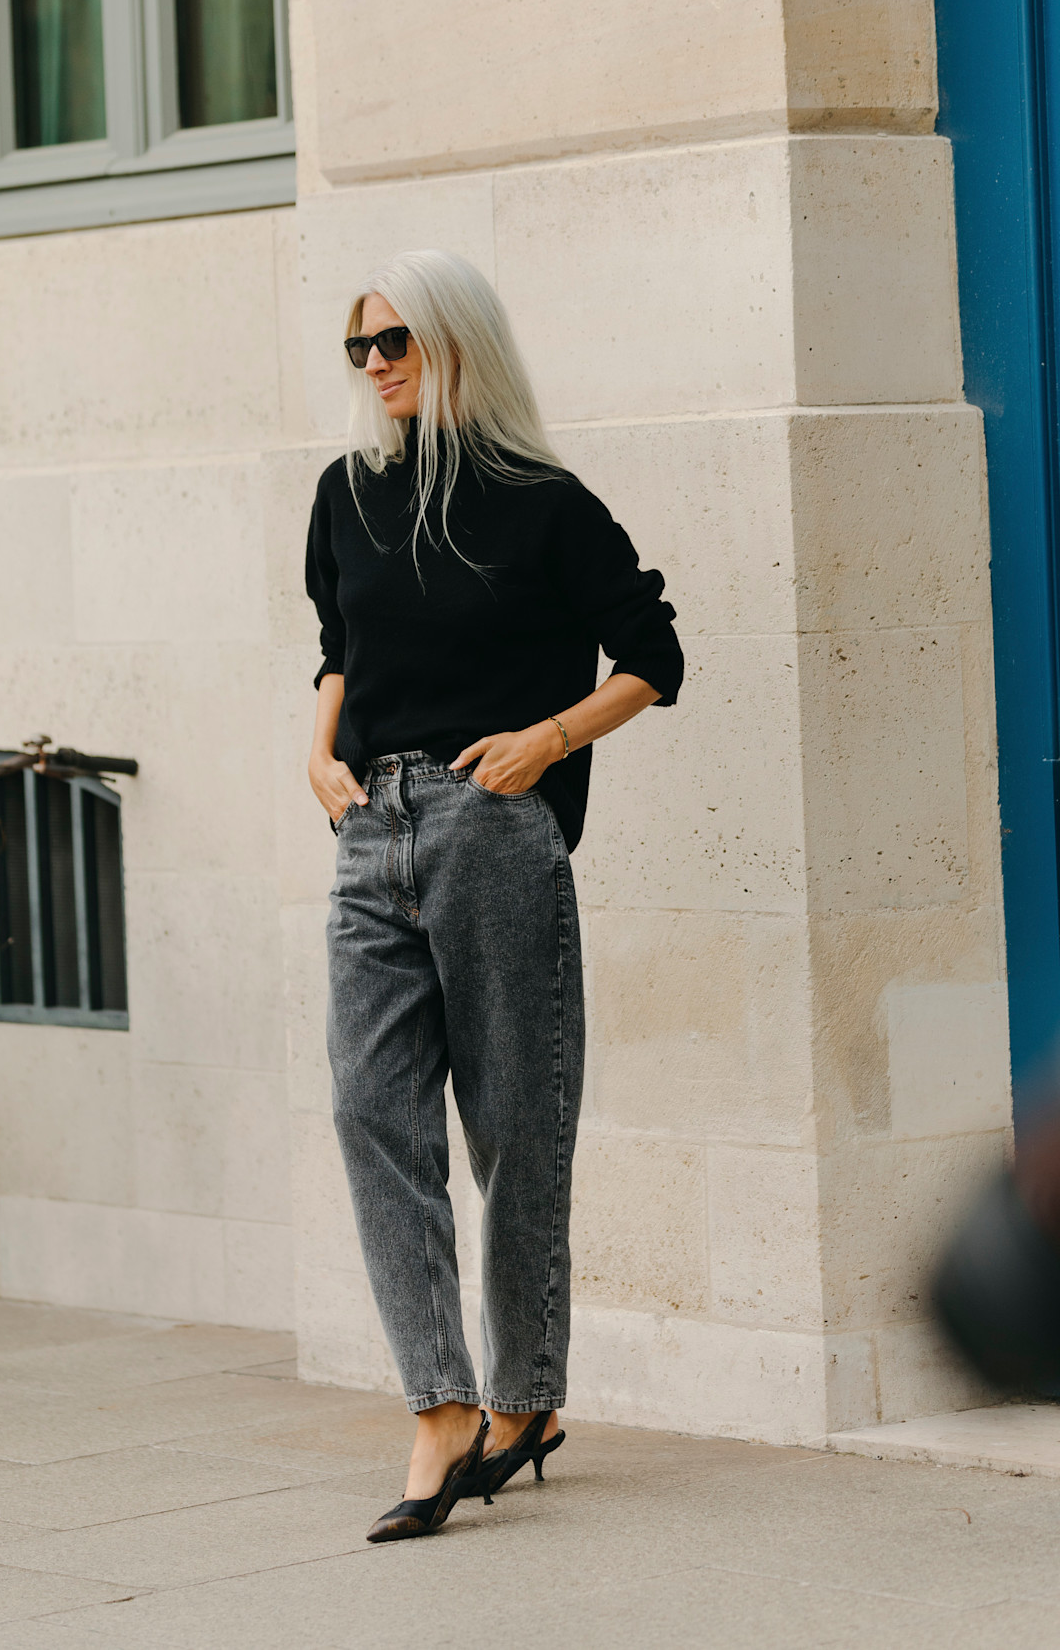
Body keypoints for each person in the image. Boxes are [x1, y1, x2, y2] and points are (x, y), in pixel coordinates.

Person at [305, 249, 684, 1542]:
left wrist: (548, 742)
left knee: (515, 1126)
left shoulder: (543, 505)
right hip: (370, 827)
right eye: (359, 347)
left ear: (456, 339)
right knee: (371, 1111)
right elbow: (340, 648)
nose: (377, 366)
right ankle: (439, 1403)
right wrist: (317, 752)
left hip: (493, 826)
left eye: (397, 340)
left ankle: (524, 1399)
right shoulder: (346, 495)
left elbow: (654, 655)